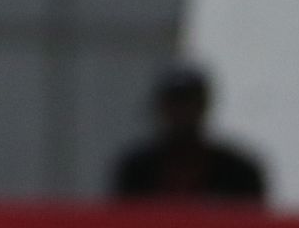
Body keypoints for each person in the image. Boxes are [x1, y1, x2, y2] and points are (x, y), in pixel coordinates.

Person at [111, 65, 268, 202]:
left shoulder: (238, 174)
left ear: (203, 106)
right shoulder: (136, 172)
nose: (182, 113)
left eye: (190, 103)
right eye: (175, 103)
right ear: (161, 108)